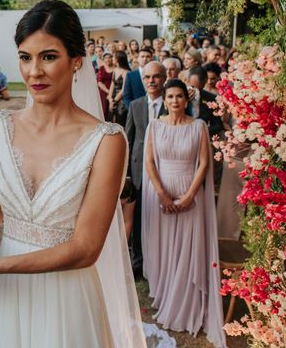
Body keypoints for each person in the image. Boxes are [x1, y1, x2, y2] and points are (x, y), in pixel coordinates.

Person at [0, 0, 145, 348]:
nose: (34, 72)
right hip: (12, 296)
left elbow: (86, 249)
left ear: (76, 61)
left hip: (68, 295)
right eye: (26, 57)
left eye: (48, 56)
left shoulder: (106, 140)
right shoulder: (3, 126)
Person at [142, 78, 225, 348]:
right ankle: (166, 296)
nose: (175, 101)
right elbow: (149, 162)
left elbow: (203, 163)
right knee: (167, 249)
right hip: (162, 194)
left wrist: (190, 194)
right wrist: (162, 194)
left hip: (191, 195)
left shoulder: (198, 126)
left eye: (179, 96)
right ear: (164, 100)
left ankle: (188, 303)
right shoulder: (155, 126)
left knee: (188, 250)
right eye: (170, 97)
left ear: (186, 100)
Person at [124, 61, 167, 278]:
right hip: (139, 170)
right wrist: (128, 174)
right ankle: (137, 261)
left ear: (164, 78)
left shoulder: (172, 104)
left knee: (160, 218)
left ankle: (159, 260)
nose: (152, 81)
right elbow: (128, 139)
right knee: (139, 218)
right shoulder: (135, 105)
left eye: (156, 76)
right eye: (148, 77)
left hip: (165, 171)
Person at [108, 50, 131, 126]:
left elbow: (124, 90)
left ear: (118, 59)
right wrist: (110, 98)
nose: (112, 59)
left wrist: (114, 101)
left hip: (122, 100)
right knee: (111, 121)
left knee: (120, 121)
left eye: (113, 57)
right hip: (113, 98)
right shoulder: (115, 70)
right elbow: (112, 84)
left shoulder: (126, 72)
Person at [97, 51, 114, 121]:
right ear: (103, 59)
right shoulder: (101, 68)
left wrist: (111, 92)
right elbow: (99, 82)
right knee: (104, 111)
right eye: (106, 58)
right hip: (104, 92)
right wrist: (108, 91)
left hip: (114, 92)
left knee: (112, 112)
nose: (108, 59)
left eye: (109, 57)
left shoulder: (116, 68)